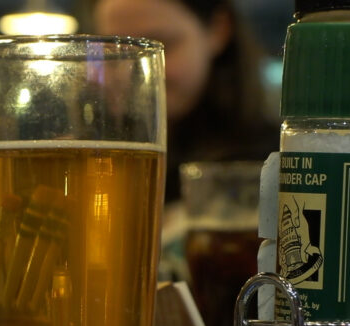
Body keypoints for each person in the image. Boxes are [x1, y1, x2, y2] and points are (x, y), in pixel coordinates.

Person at [93, 0, 279, 203]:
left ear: (219, 29)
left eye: (161, 46)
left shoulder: (271, 162)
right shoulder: (95, 158)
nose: (127, 75)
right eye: (111, 52)